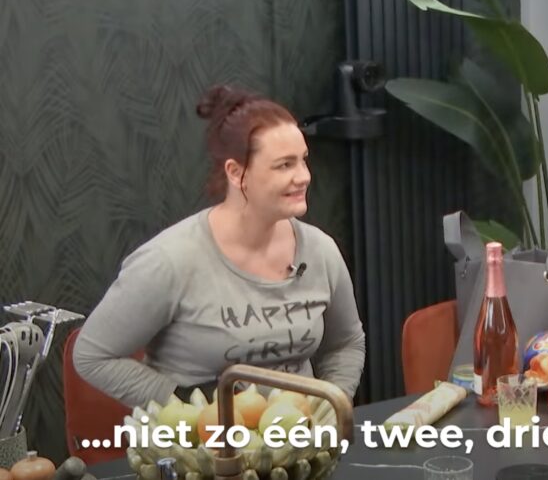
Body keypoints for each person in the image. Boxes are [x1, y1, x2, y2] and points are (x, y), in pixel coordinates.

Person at [74, 85, 366, 408]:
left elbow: (346, 343)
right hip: (200, 438)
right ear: (236, 172)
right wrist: (189, 405)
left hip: (298, 434)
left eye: (303, 161)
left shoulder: (320, 251)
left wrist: (331, 407)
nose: (304, 177)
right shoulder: (169, 260)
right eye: (284, 165)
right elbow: (92, 355)